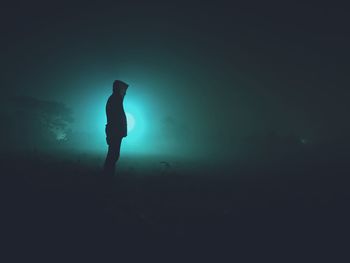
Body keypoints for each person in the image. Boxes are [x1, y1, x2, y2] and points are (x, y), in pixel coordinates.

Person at [103, 80, 128, 176]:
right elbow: (115, 118)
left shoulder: (115, 100)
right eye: (123, 90)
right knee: (113, 155)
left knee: (113, 155)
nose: (125, 93)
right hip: (115, 131)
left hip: (115, 131)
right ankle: (107, 177)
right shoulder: (114, 100)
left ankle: (108, 175)